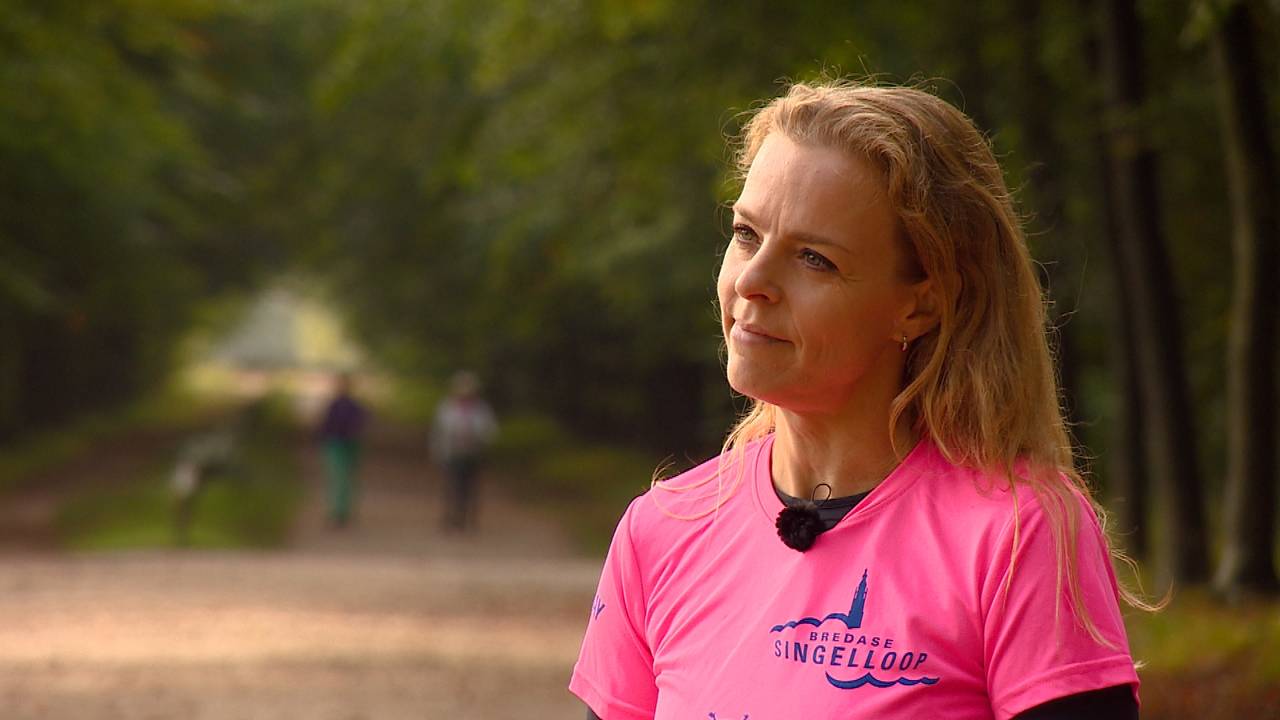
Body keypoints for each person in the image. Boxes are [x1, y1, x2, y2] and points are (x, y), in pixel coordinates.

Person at [571, 81, 1149, 720]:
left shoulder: (1018, 533)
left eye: (814, 259)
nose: (754, 281)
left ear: (921, 302)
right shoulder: (661, 531)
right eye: (745, 233)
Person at [431, 371, 498, 531]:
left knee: (471, 487)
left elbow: (490, 431)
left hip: (474, 453)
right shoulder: (446, 407)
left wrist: (477, 435)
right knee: (452, 485)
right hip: (452, 452)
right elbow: (438, 431)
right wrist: (437, 451)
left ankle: (468, 518)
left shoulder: (481, 409)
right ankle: (452, 517)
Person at [317, 372, 367, 528]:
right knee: (338, 478)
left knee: (345, 478)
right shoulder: (335, 406)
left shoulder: (353, 406)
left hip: (349, 444)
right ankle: (337, 511)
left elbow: (360, 426)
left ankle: (342, 511)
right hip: (336, 444)